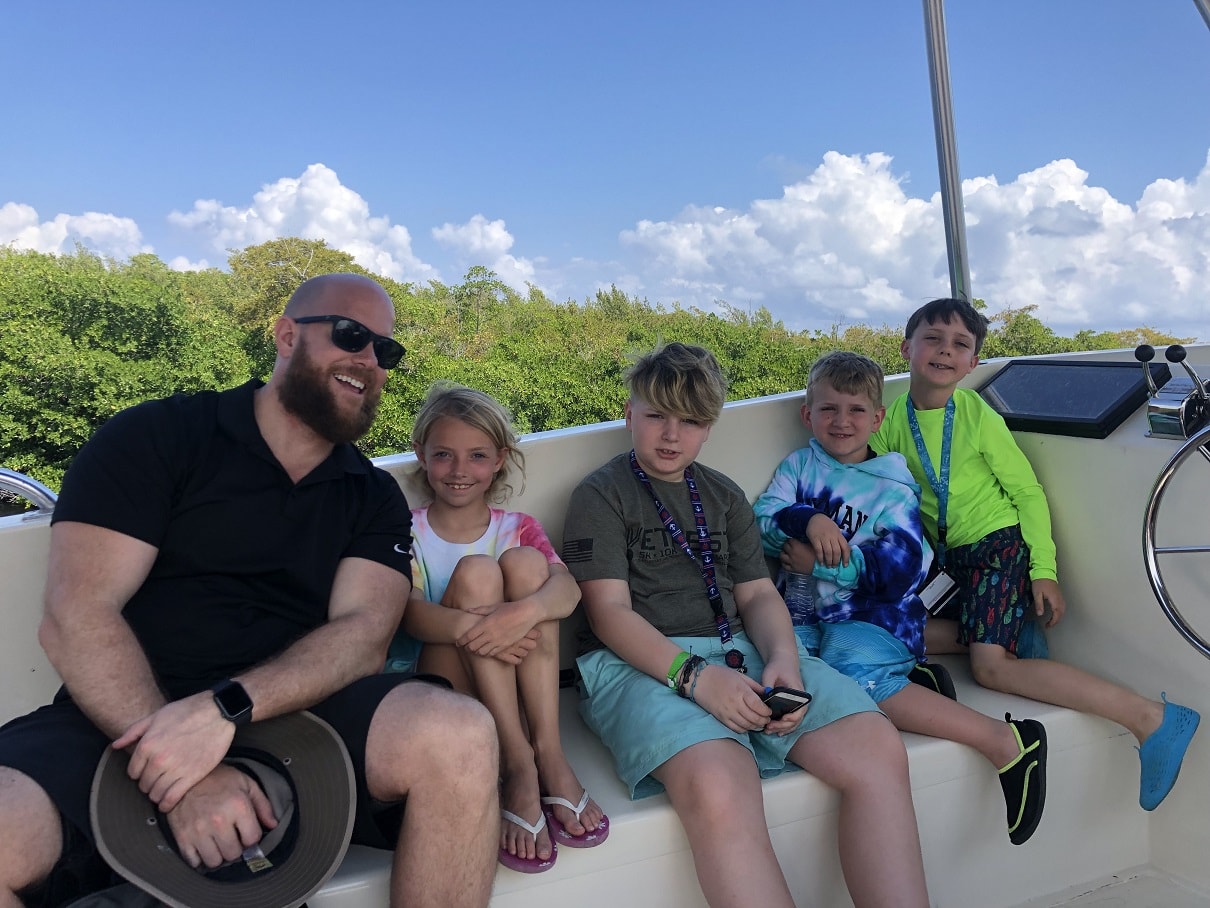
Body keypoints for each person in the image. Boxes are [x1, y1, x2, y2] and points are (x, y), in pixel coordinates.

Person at [0, 273, 500, 908]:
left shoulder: (371, 495)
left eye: (385, 350)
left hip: (293, 716)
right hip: (120, 715)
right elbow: (78, 614)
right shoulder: (156, 437)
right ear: (286, 336)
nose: (370, 360)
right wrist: (184, 773)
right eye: (351, 336)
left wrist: (225, 709)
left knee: (458, 733)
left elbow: (363, 637)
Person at [563, 342, 930, 908]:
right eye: (657, 415)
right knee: (720, 778)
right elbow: (608, 613)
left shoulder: (723, 494)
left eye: (690, 421)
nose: (671, 435)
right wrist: (696, 679)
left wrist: (784, 659)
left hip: (739, 649)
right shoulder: (601, 494)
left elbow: (757, 593)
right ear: (629, 412)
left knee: (877, 747)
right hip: (639, 662)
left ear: (709, 427)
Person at [871, 297, 1201, 812]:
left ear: (973, 363)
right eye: (932, 338)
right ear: (905, 348)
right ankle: (1010, 629)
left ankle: (1152, 718)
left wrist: (1043, 572)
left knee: (990, 670)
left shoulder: (976, 415)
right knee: (885, 628)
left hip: (996, 547)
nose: (944, 350)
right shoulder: (890, 422)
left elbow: (1027, 492)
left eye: (960, 344)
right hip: (946, 559)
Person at [753, 351, 1048, 845]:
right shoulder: (798, 466)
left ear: (876, 419)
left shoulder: (893, 490)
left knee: (850, 671)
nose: (841, 421)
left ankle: (1007, 741)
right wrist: (809, 519)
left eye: (855, 410)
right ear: (808, 414)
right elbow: (762, 519)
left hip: (877, 617)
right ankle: (912, 680)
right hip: (804, 614)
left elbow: (899, 572)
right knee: (776, 663)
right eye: (828, 409)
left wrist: (818, 563)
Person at [386, 382, 607, 874]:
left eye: (477, 455)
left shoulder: (517, 526)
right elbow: (411, 615)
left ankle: (549, 753)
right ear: (421, 454)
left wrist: (519, 616)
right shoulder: (407, 530)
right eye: (443, 454)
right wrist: (483, 629)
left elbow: (567, 592)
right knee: (477, 574)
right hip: (443, 686)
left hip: (512, 686)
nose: (459, 470)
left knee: (529, 566)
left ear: (499, 459)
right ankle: (518, 764)